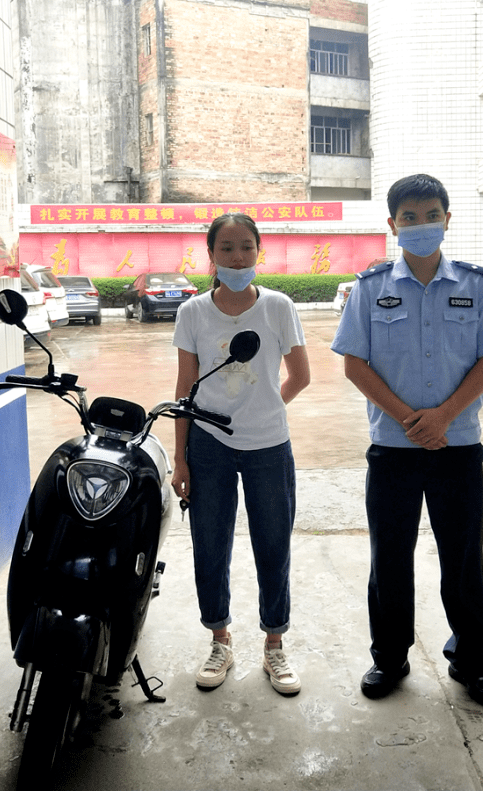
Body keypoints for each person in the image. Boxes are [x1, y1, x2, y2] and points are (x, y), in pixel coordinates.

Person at [330, 174, 483, 708]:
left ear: (447, 220)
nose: (420, 225)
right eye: (408, 217)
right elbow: (354, 365)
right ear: (392, 225)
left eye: (430, 214)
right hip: (393, 449)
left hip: (458, 449)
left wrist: (445, 417)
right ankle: (389, 658)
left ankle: (471, 663)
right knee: (390, 558)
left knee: (462, 558)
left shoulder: (477, 286)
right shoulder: (370, 287)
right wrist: (413, 419)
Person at [171, 212, 311, 696]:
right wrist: (181, 456)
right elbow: (185, 387)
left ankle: (274, 645)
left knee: (273, 546)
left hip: (269, 445)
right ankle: (220, 640)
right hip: (208, 446)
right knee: (211, 546)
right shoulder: (192, 313)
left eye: (246, 247)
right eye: (226, 248)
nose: (236, 257)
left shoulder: (278, 307)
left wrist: (266, 407)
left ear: (259, 251)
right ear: (210, 255)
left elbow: (301, 375)